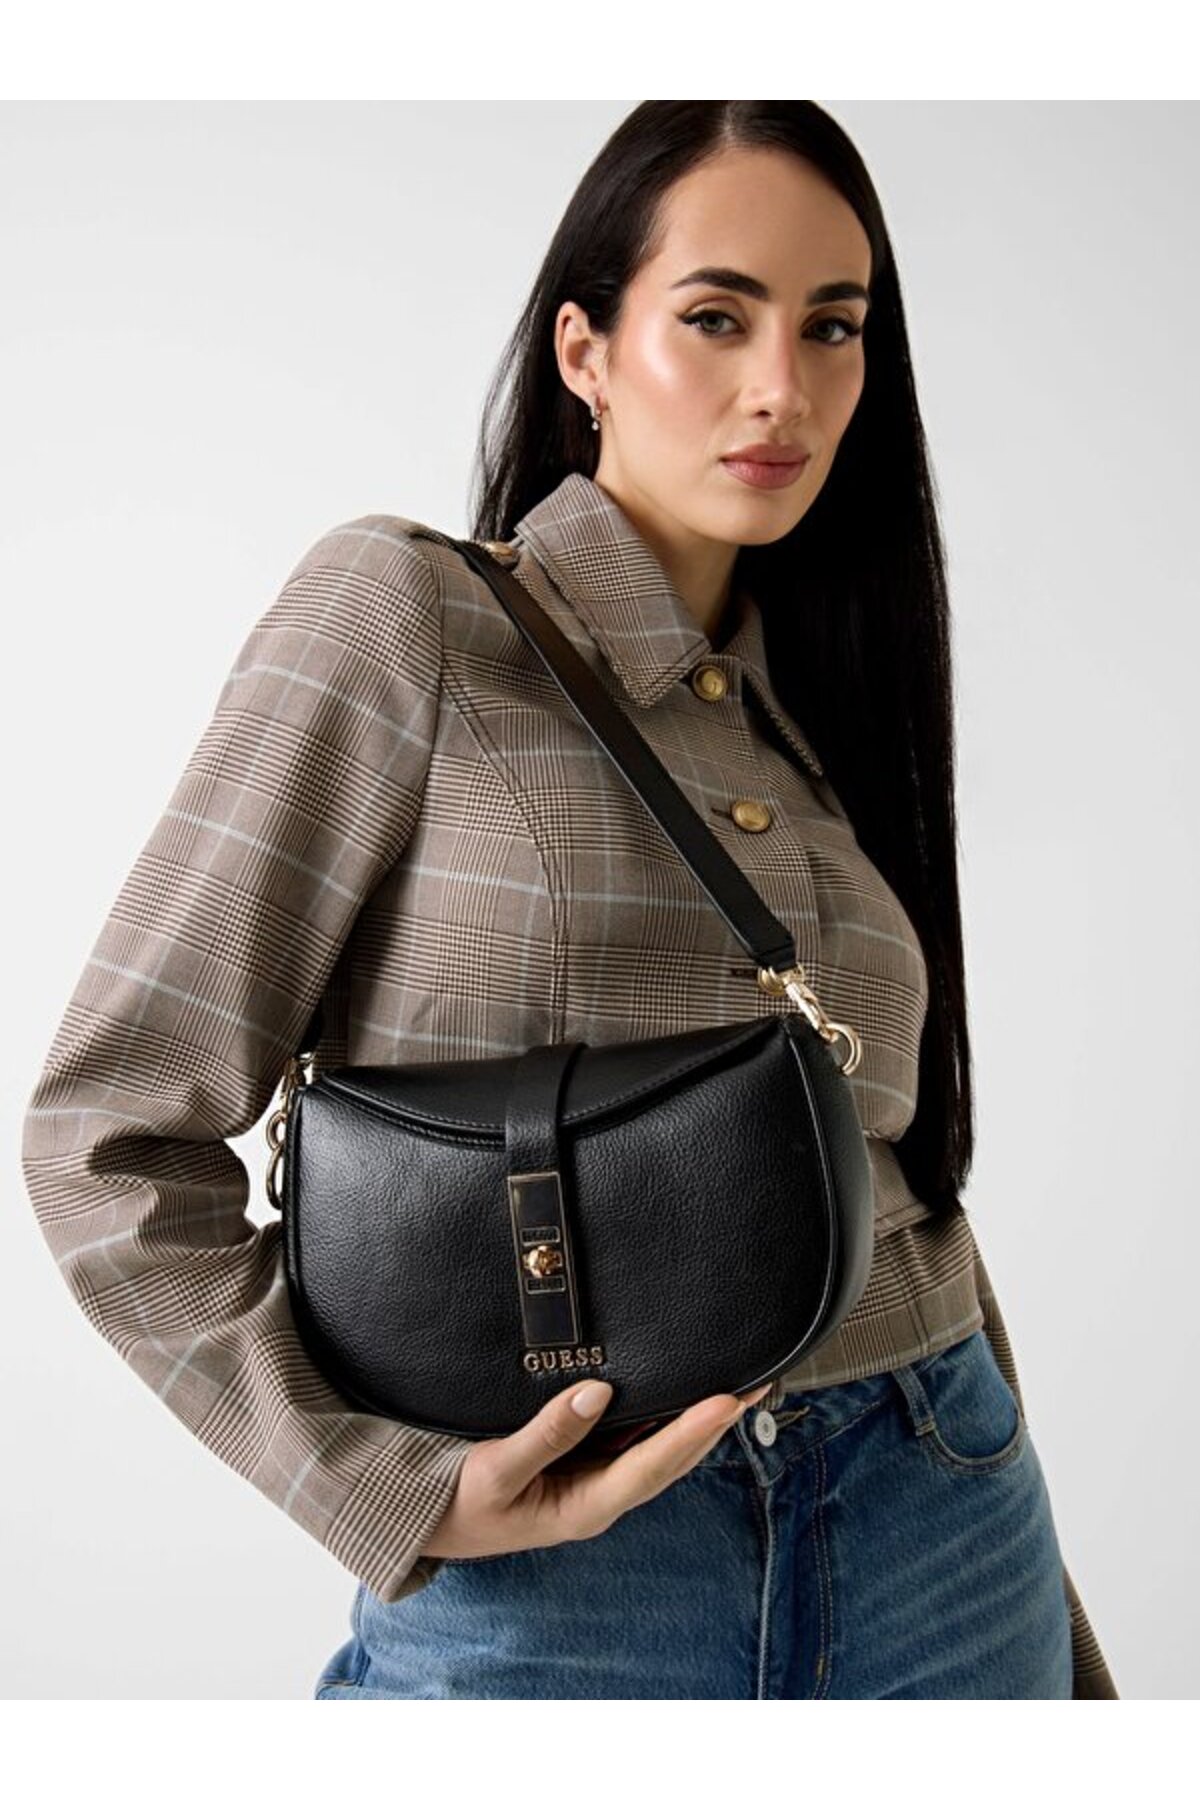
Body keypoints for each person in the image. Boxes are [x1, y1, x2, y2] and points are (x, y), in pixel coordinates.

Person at [20, 100, 1117, 1700]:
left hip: (940, 1507)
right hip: (568, 1561)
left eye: (834, 328)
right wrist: (385, 1488)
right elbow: (106, 1132)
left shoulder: (823, 716)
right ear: (584, 351)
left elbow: (891, 1182)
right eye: (718, 317)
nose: (784, 387)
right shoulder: (408, 617)